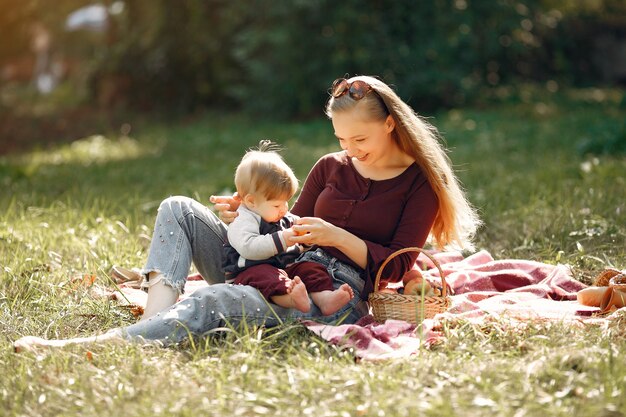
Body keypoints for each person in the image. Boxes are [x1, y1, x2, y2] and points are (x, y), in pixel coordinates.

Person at [13, 75, 481, 352]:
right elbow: (283, 227)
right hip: (273, 269)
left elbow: (396, 267)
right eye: (341, 140)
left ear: (389, 124)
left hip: (331, 297)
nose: (349, 152)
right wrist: (254, 211)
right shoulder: (329, 168)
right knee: (178, 208)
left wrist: (336, 236)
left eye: (360, 140)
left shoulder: (419, 184)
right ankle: (151, 320)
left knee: (214, 301)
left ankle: (105, 344)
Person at [224, 140, 354, 314]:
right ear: (251, 201)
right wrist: (284, 238)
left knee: (310, 268)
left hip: (285, 268)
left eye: (287, 201)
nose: (284, 209)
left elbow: (296, 244)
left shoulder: (283, 217)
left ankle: (324, 298)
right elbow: (249, 248)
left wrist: (305, 240)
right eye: (277, 205)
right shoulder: (243, 219)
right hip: (249, 272)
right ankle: (290, 298)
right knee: (267, 276)